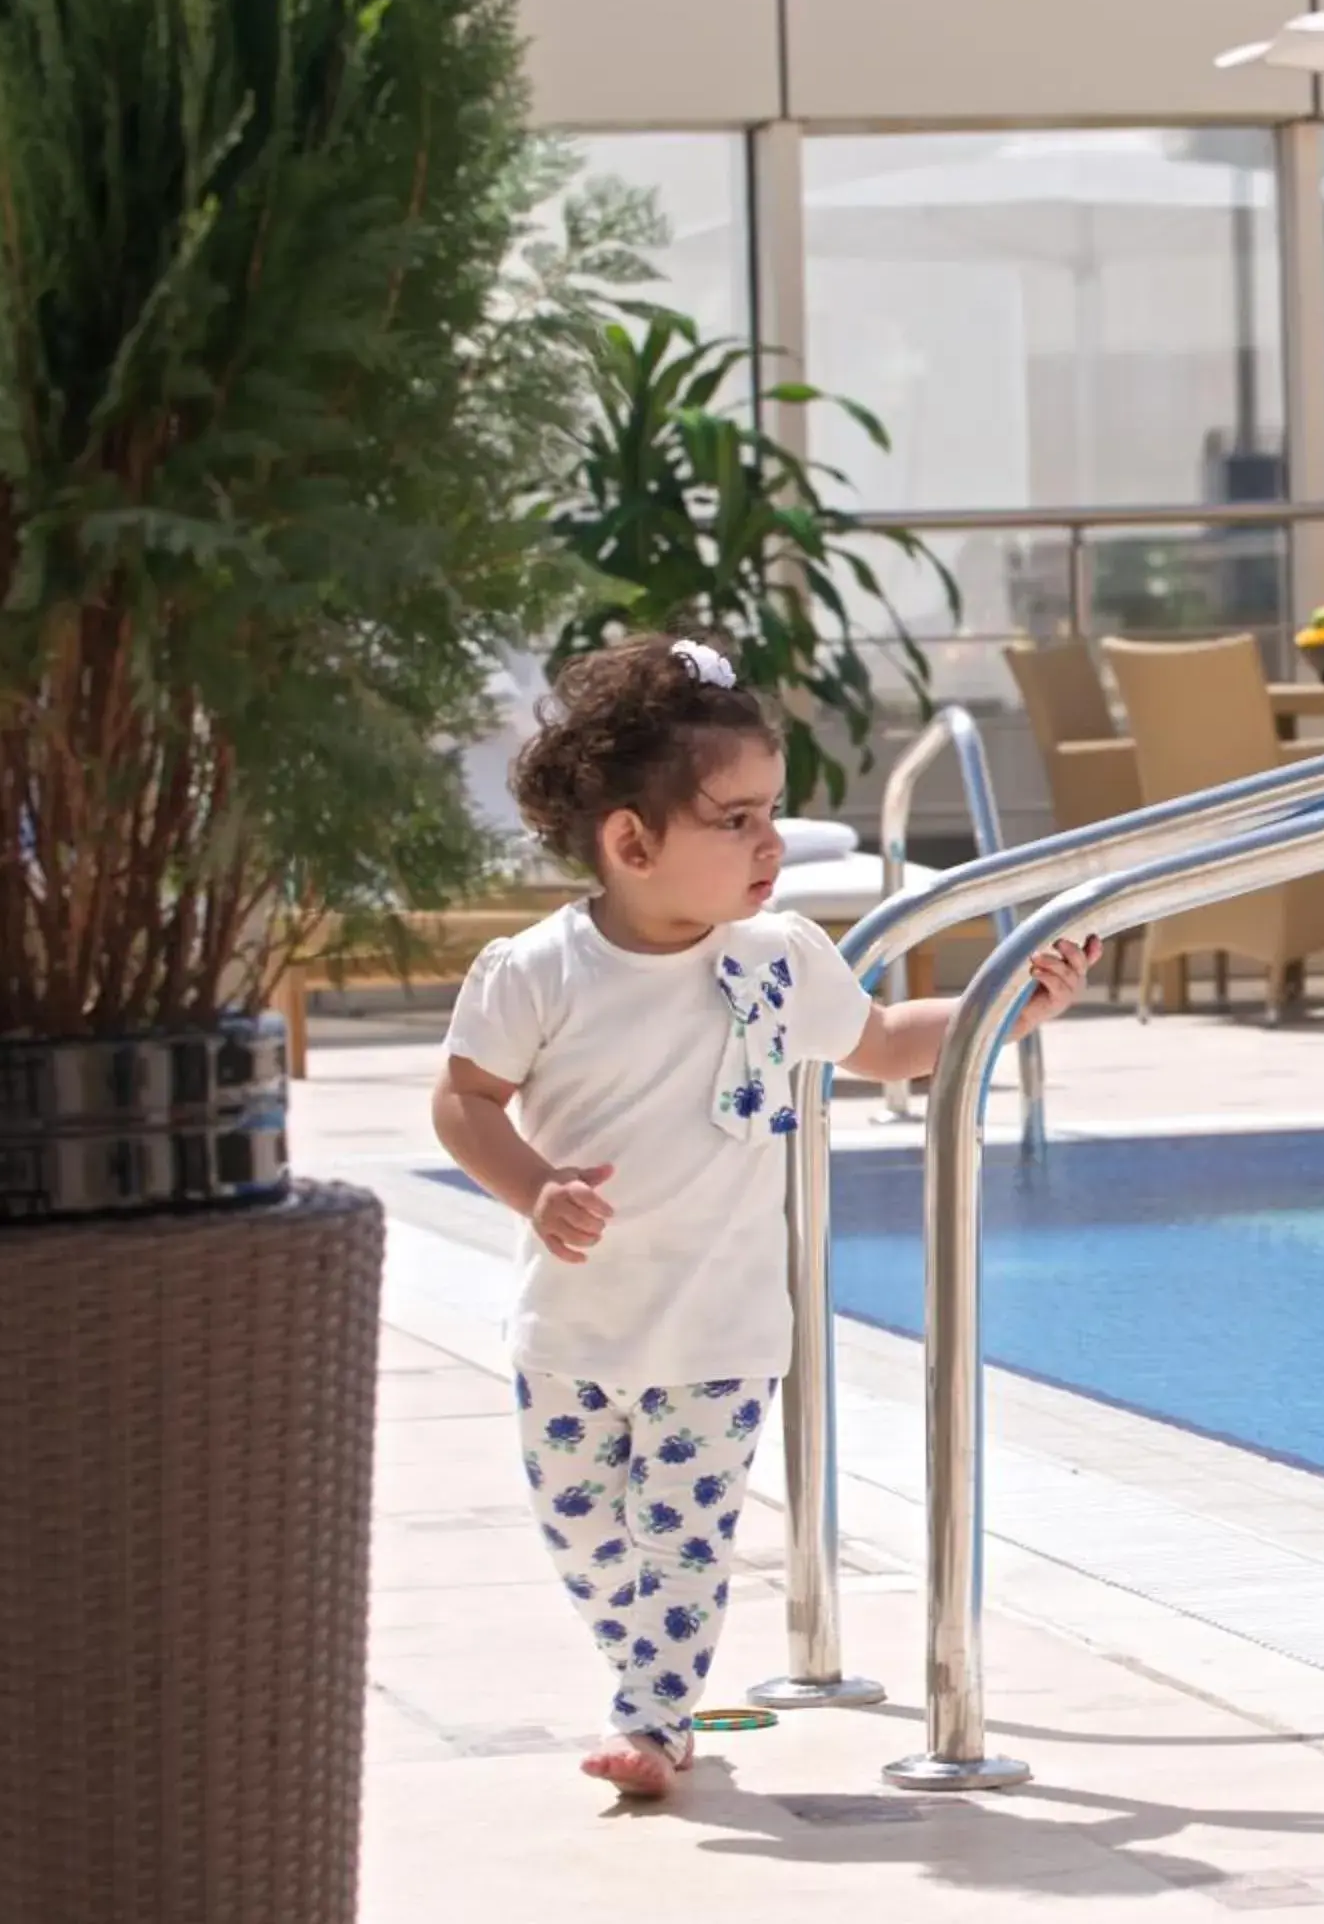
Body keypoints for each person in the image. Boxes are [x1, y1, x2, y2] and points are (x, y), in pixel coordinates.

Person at [431, 636, 1095, 1799]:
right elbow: (463, 1100)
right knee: (589, 1541)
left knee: (682, 1547)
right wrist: (535, 1188)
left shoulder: (782, 959)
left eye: (772, 812)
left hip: (722, 1338)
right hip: (573, 1333)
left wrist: (1012, 1001)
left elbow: (884, 1044)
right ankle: (643, 1676)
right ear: (631, 842)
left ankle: (656, 1718)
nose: (770, 842)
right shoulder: (536, 970)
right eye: (735, 819)